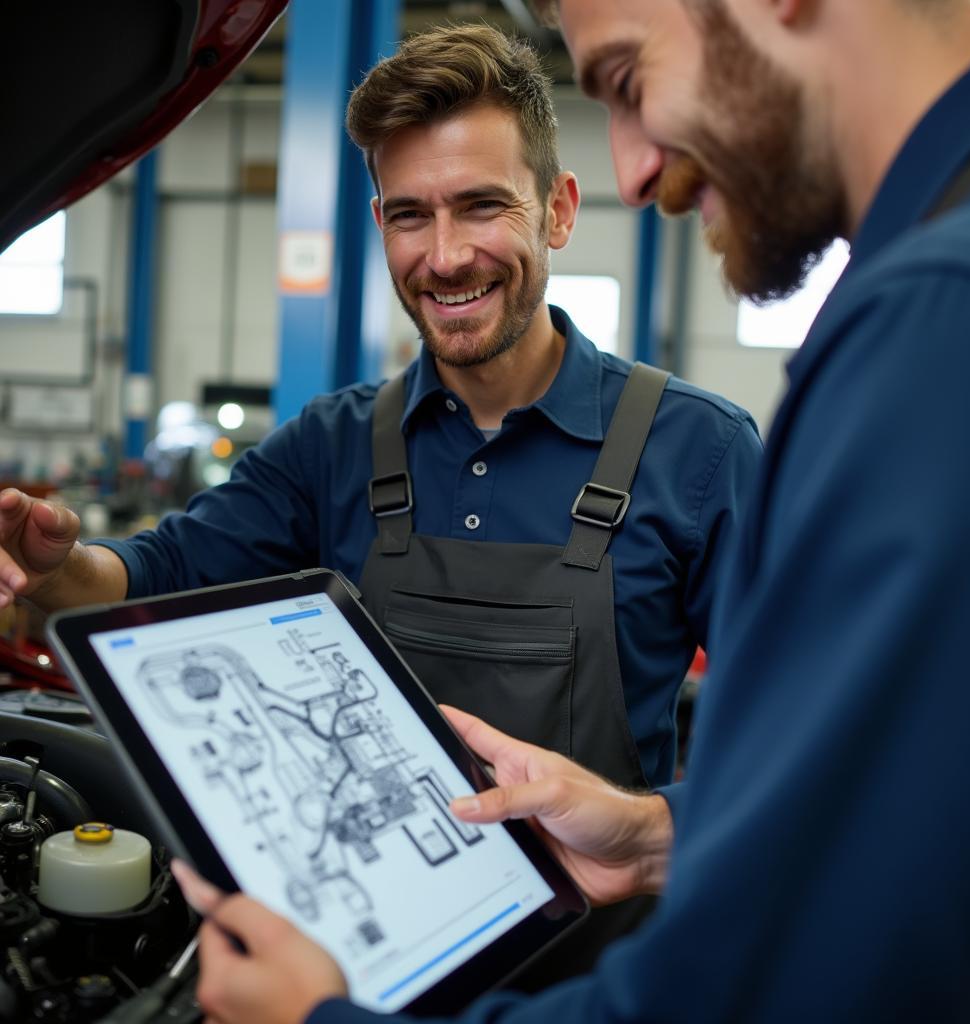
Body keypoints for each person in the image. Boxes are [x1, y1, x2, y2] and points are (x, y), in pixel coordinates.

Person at [173, 0, 970, 1021]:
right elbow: (894, 825)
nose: (636, 174)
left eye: (626, 81)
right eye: (409, 214)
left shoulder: (957, 318)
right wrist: (651, 827)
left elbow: (779, 988)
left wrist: (321, 1020)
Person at [0, 24, 760, 985]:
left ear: (559, 212)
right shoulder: (332, 444)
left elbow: (813, 731)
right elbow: (152, 578)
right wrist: (53, 562)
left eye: (482, 206)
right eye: (410, 216)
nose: (444, 258)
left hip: (592, 988)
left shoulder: (699, 451)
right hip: (360, 976)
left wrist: (662, 831)